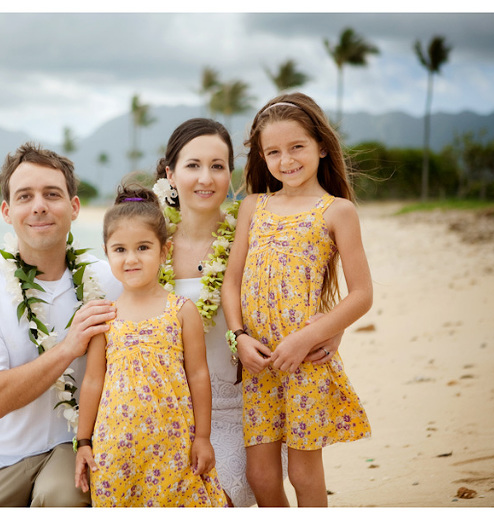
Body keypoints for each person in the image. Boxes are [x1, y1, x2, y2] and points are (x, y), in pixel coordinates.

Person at [152, 118, 342, 506]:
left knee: (216, 495)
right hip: (174, 412)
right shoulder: (145, 246)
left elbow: (298, 282)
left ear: (230, 174)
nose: (206, 178)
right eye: (193, 166)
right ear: (171, 174)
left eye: (218, 166)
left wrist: (329, 328)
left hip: (250, 403)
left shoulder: (255, 225)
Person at [0, 142, 121, 507]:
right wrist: (70, 346)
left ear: (74, 207)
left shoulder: (111, 282)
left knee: (64, 500)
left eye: (51, 194)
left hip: (72, 446)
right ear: (7, 211)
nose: (39, 205)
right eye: (25, 196)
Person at [221, 92, 373, 507]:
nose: (286, 160)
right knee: (261, 475)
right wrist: (238, 336)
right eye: (274, 152)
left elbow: (361, 295)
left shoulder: (337, 211)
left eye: (297, 147)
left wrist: (309, 338)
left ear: (321, 146)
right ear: (263, 157)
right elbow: (231, 281)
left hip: (304, 360)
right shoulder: (254, 206)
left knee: (303, 474)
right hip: (260, 360)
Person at [74, 185, 227, 507]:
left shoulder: (182, 310)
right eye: (120, 250)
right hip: (115, 450)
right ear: (107, 252)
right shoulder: (106, 315)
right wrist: (84, 441)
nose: (131, 259)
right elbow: (92, 380)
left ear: (165, 250)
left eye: (143, 247)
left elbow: (198, 375)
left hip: (174, 446)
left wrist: (202, 438)